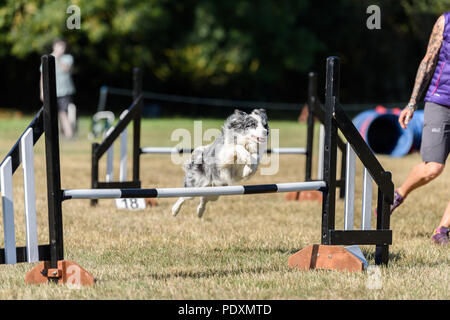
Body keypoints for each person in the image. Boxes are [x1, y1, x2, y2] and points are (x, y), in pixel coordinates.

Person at [394, 13, 449, 245]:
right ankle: (397, 195)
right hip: (441, 101)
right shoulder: (445, 22)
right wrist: (412, 103)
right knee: (433, 168)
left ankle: (442, 230)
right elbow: (428, 61)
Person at [40, 39, 76, 138]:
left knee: (63, 112)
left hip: (65, 91)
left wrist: (58, 58)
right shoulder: (46, 59)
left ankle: (69, 134)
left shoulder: (68, 58)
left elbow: (65, 69)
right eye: (59, 47)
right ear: (54, 47)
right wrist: (42, 91)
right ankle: (58, 133)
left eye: (63, 47)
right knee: (52, 113)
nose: (61, 49)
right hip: (51, 91)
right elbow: (42, 76)